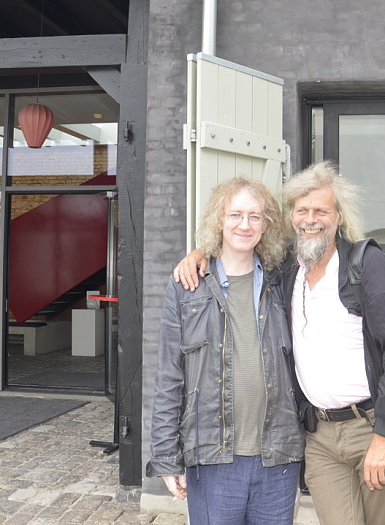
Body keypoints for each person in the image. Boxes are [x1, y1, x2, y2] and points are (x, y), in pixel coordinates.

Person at [175, 162, 385, 525]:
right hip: (319, 437)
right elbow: (237, 250)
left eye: (321, 211)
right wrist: (201, 254)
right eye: (302, 210)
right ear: (291, 216)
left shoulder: (366, 264)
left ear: (339, 217)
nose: (310, 220)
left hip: (371, 427)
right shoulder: (288, 268)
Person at [149, 177, 305, 525]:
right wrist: (166, 456)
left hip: (278, 458)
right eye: (235, 215)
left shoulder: (284, 280)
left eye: (254, 216)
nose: (244, 225)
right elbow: (169, 376)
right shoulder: (187, 286)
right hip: (213, 458)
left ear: (266, 225)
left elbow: (319, 245)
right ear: (219, 220)